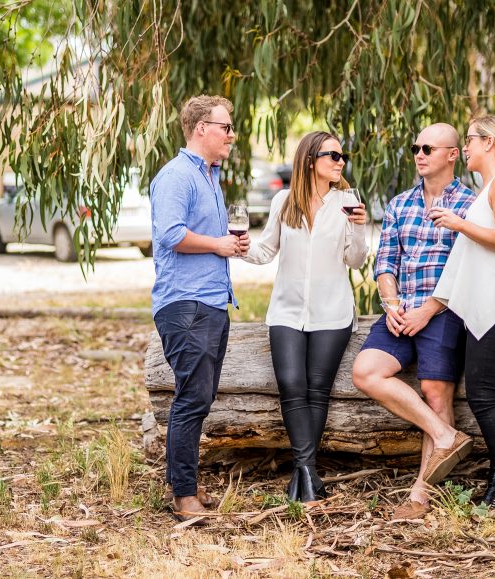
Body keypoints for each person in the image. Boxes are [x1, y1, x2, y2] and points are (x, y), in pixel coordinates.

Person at [352, 123, 476, 520]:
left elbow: (468, 268)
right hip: (401, 311)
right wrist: (391, 304)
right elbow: (385, 262)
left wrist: (428, 309)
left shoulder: (471, 205)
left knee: (435, 391)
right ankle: (446, 436)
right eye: (415, 147)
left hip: (443, 311)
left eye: (428, 148)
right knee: (366, 371)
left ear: (452, 154)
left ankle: (420, 497)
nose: (419, 154)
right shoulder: (399, 204)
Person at [242, 131, 369, 503]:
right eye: (331, 155)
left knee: (317, 390)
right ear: (310, 159)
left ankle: (304, 476)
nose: (339, 162)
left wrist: (360, 227)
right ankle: (308, 472)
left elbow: (355, 260)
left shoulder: (348, 201)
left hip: (332, 311)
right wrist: (234, 246)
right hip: (286, 310)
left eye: (342, 156)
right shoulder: (285, 200)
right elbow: (266, 250)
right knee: (291, 385)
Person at [150, 94, 250, 523]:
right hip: (185, 304)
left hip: (210, 301)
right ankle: (183, 495)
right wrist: (219, 244)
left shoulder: (209, 176)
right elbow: (171, 234)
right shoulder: (176, 176)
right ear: (200, 129)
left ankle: (183, 480)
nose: (232, 135)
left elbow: (204, 235)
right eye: (226, 127)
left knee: (202, 396)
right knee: (192, 397)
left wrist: (230, 243)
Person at [430, 115, 495, 513]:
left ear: (488, 142)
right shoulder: (490, 186)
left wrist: (458, 224)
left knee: (483, 397)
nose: (466, 147)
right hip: (493, 303)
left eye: (470, 139)